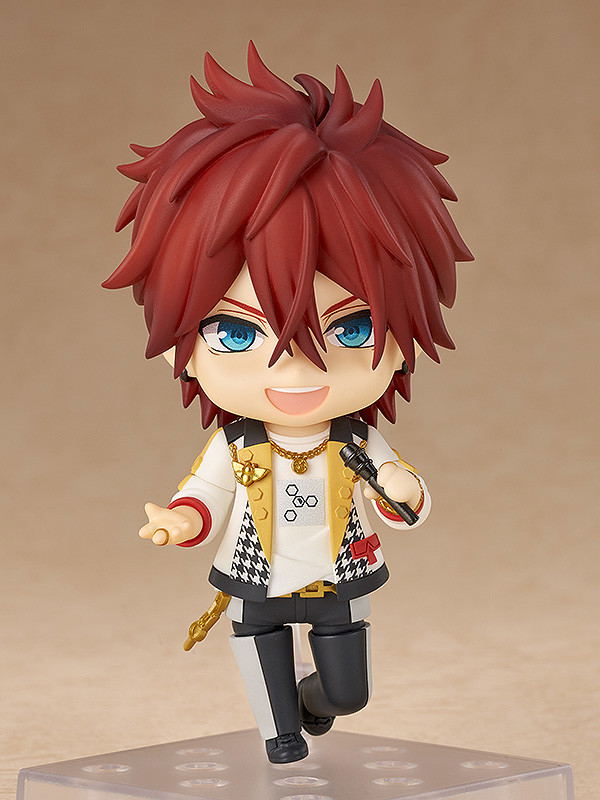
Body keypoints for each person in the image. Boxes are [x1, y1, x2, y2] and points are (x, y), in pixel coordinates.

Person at [102, 41, 473, 763]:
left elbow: (401, 498)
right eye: (238, 333)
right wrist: (181, 520)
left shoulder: (354, 439)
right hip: (255, 574)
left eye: (352, 328)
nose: (298, 370)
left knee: (347, 693)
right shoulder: (238, 441)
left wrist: (405, 492)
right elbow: (206, 493)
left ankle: (314, 704)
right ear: (184, 344)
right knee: (269, 683)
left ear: (402, 339)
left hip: (340, 574)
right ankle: (280, 735)